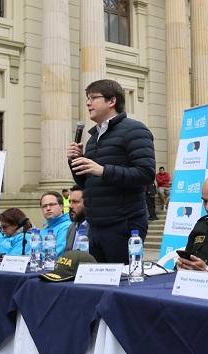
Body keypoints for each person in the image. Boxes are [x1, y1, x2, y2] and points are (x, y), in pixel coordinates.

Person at [66, 79, 155, 263]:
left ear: (111, 101)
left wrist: (103, 170)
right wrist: (74, 160)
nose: (88, 103)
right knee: (96, 285)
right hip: (95, 225)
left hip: (124, 224)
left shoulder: (134, 130)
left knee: (120, 283)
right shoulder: (92, 139)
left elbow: (145, 174)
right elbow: (87, 184)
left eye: (93, 98)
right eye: (87, 98)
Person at [39, 191, 71, 257]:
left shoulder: (67, 226)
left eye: (51, 205)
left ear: (61, 207)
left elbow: (57, 254)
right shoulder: (45, 228)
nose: (48, 208)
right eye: (44, 206)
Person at [66, 185, 89, 251]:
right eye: (70, 202)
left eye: (75, 202)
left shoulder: (95, 228)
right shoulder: (72, 227)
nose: (70, 206)